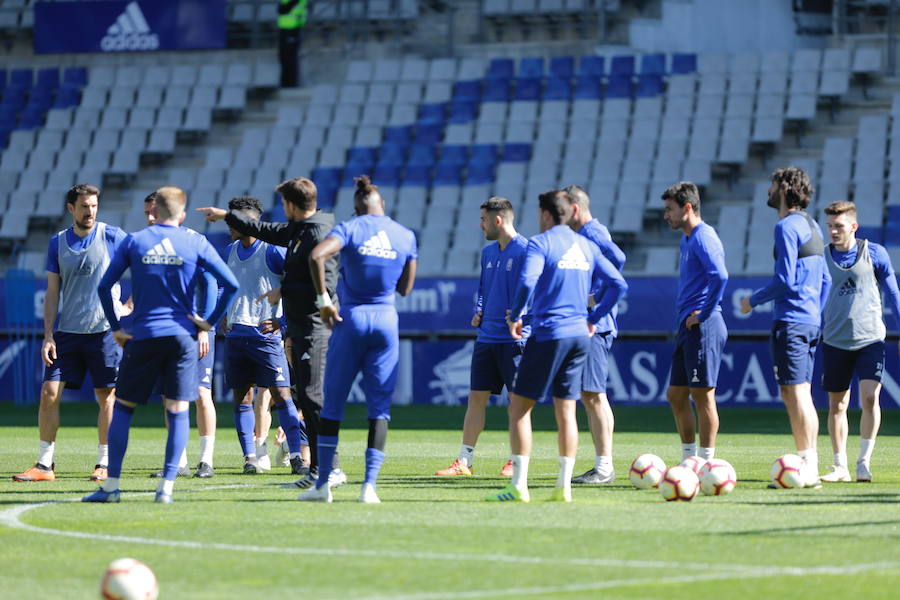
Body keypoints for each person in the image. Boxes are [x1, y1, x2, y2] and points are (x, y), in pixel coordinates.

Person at [82, 186, 238, 504]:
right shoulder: (194, 241)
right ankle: (165, 489)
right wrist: (208, 323)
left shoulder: (135, 241)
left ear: (154, 212)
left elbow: (104, 287)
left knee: (124, 408)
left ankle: (111, 487)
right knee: (179, 410)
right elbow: (230, 284)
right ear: (181, 214)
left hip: (143, 335)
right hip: (183, 338)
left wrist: (116, 328)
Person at [197, 177, 342, 489]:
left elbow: (313, 277)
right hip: (254, 333)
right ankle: (285, 462)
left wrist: (285, 317)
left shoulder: (300, 238)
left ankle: (317, 464)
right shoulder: (240, 248)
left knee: (299, 397)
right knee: (265, 396)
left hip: (288, 331)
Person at [485, 190, 627, 503]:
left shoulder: (541, 243)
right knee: (566, 410)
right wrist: (595, 317)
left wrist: (517, 314)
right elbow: (619, 284)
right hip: (579, 335)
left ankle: (518, 486)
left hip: (549, 333)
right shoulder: (587, 246)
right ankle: (563, 487)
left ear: (546, 214)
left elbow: (527, 281)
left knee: (519, 408)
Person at [299, 175, 417, 503]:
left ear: (357, 207)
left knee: (333, 402)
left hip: (350, 321)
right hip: (385, 322)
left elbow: (317, 256)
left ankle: (323, 486)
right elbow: (406, 289)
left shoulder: (350, 229)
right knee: (379, 408)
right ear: (383, 205)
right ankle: (370, 487)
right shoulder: (405, 235)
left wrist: (323, 301)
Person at [13, 184, 126, 483]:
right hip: (67, 333)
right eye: (84, 206)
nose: (90, 211)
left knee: (106, 396)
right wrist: (48, 335)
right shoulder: (57, 243)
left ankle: (104, 463)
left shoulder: (112, 236)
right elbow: (52, 293)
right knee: (48, 394)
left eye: (94, 205)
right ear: (70, 209)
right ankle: (45, 465)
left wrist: (128, 305)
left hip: (103, 332)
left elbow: (142, 268)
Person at [740, 167, 831, 488]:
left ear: (784, 189)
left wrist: (753, 300)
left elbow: (784, 279)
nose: (768, 190)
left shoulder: (786, 227)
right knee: (795, 392)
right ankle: (810, 464)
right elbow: (827, 280)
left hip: (791, 321)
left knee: (796, 392)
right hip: (807, 321)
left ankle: (807, 468)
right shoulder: (813, 225)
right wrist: (814, 315)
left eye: (772, 184)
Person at [434, 197, 527, 478]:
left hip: (515, 340)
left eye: (483, 219)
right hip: (487, 338)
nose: (481, 225)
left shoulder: (526, 250)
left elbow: (538, 290)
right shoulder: (488, 253)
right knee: (476, 398)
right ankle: (465, 461)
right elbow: (484, 290)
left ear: (497, 220)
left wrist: (525, 314)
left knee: (518, 402)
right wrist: (479, 311)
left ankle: (516, 461)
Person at [222, 196, 308, 476]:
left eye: (237, 219)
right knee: (242, 398)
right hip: (236, 337)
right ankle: (250, 457)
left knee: (283, 396)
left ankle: (296, 455)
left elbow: (297, 284)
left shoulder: (273, 252)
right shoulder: (229, 252)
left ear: (252, 222)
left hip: (265, 337)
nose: (231, 224)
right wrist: (223, 313)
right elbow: (223, 287)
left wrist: (283, 322)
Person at [818, 201, 900, 483]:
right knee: (837, 405)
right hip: (835, 340)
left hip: (870, 339)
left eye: (838, 226)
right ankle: (839, 466)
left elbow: (893, 292)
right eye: (829, 226)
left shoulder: (874, 253)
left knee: (869, 398)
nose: (833, 231)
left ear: (853, 226)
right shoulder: (821, 257)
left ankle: (863, 462)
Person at [143, 192, 219, 479]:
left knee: (201, 393)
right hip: (164, 332)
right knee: (169, 396)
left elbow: (211, 283)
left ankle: (206, 461)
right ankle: (180, 462)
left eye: (155, 212)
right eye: (147, 214)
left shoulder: (192, 240)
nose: (151, 218)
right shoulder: (147, 242)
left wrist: (205, 326)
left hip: (194, 331)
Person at [563, 184, 627, 484]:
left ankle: (604, 467)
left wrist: (596, 295)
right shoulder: (586, 234)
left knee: (594, 395)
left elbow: (618, 258)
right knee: (590, 395)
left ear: (575, 208)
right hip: (590, 323)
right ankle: (602, 465)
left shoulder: (593, 233)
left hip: (597, 324)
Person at [661, 182, 728, 462]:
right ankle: (690, 459)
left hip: (704, 326)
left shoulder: (703, 236)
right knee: (676, 395)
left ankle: (706, 461)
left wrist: (704, 313)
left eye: (670, 209)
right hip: (687, 326)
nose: (666, 215)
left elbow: (720, 276)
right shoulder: (686, 239)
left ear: (687, 208)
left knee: (702, 396)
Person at [278, 0, 307, 88]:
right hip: (284, 30)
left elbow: (283, 10)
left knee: (291, 58)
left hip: (293, 29)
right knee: (283, 57)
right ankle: (284, 83)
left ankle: (291, 83)